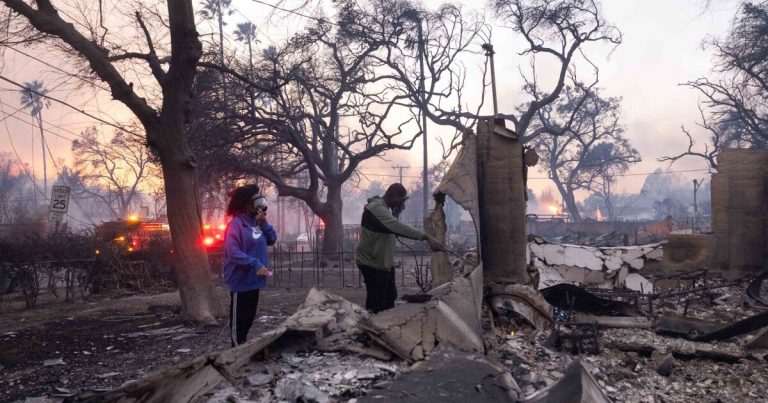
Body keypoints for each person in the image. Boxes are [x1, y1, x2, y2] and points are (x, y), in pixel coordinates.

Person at [356, 183, 442, 313]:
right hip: (372, 263)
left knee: (390, 297)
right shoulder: (376, 208)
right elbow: (397, 227)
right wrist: (426, 237)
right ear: (395, 196)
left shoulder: (384, 210)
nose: (402, 205)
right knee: (377, 302)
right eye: (401, 201)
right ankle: (371, 329)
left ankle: (385, 327)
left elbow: (391, 229)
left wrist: (395, 213)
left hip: (383, 262)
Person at [222, 184, 277, 346]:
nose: (260, 203)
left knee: (249, 318)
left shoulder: (256, 222)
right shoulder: (236, 224)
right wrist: (255, 263)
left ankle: (243, 347)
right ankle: (235, 352)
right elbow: (233, 253)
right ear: (247, 204)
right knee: (238, 321)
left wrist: (264, 224)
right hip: (240, 281)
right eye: (256, 200)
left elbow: (272, 239)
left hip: (255, 280)